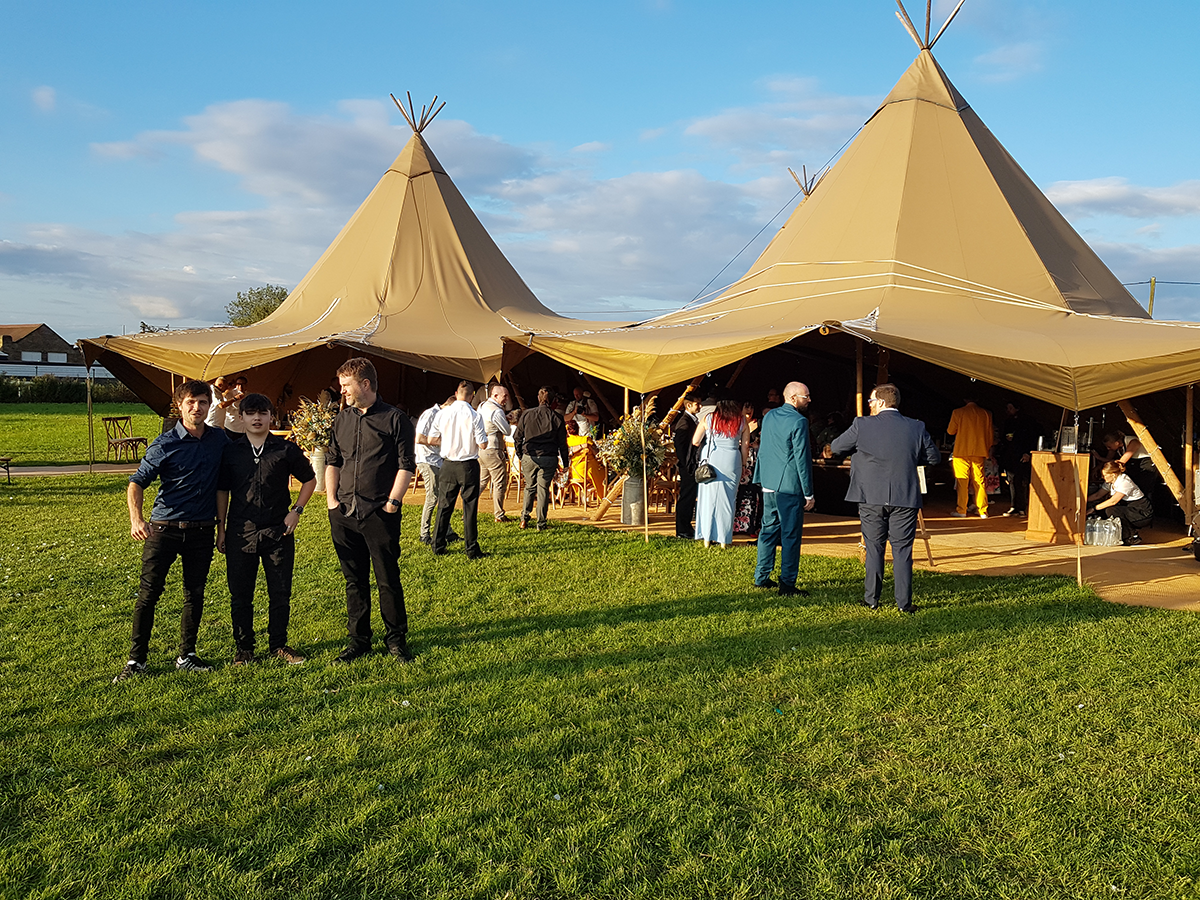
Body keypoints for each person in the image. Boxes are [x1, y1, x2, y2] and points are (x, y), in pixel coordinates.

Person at [114, 379, 231, 683]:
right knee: (148, 595)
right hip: (163, 530)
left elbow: (225, 483)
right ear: (179, 406)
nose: (197, 407)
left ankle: (187, 655)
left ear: (210, 406)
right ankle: (136, 660)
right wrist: (136, 520)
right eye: (191, 402)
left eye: (203, 402)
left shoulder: (220, 440)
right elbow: (136, 482)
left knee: (195, 594)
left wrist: (222, 528)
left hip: (202, 531)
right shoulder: (164, 443)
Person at [325, 357, 417, 664]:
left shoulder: (395, 419)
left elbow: (406, 465)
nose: (343, 392)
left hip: (380, 512)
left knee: (387, 579)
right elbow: (333, 460)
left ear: (365, 384)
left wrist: (393, 502)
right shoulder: (342, 419)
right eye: (341, 386)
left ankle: (396, 639)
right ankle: (358, 640)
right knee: (354, 581)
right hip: (344, 514)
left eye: (347, 385)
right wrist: (331, 503)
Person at [216, 393, 316, 665]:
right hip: (240, 531)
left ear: (272, 416)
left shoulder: (285, 450)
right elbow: (222, 490)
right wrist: (221, 529)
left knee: (280, 592)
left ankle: (279, 645)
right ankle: (244, 648)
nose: (257, 418)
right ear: (242, 418)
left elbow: (310, 479)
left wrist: (296, 511)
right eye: (251, 413)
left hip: (278, 532)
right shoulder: (231, 451)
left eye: (263, 413)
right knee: (240, 593)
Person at [830, 383, 941, 613]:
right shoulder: (916, 427)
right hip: (905, 496)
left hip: (871, 496)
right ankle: (904, 603)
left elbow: (836, 446)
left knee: (874, 547)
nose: (869, 405)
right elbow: (934, 457)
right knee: (903, 550)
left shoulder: (862, 425)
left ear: (880, 402)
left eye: (871, 401)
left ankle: (872, 599)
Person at [752, 382, 815, 595]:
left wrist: (760, 476)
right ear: (794, 398)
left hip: (768, 481)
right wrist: (809, 492)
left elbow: (764, 446)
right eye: (806, 397)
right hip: (788, 484)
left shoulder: (769, 417)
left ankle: (761, 576)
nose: (808, 400)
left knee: (768, 530)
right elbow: (802, 459)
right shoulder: (799, 421)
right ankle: (787, 583)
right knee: (790, 534)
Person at [429, 380, 489, 559]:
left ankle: (437, 544)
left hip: (447, 463)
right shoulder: (475, 416)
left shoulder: (443, 413)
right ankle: (471, 548)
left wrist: (447, 442)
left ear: (456, 393)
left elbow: (431, 439)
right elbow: (483, 444)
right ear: (471, 397)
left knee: (444, 506)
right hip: (468, 464)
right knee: (469, 506)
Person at [692, 398, 750, 548]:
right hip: (732, 460)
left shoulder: (709, 418)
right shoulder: (742, 421)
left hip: (711, 459)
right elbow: (745, 447)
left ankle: (706, 538)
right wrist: (743, 464)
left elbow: (695, 441)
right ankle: (724, 539)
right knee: (728, 500)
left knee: (707, 499)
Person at [515, 386, 569, 531]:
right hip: (548, 456)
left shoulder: (526, 414)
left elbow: (517, 437)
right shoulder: (557, 417)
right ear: (552, 401)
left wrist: (520, 454)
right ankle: (541, 523)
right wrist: (565, 462)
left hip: (529, 455)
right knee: (543, 489)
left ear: (538, 398)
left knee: (529, 487)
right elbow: (562, 444)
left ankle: (524, 518)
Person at [414, 396, 454, 546]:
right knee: (432, 497)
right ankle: (424, 534)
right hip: (427, 460)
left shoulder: (441, 415)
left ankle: (447, 531)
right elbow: (419, 438)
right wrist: (444, 443)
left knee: (444, 496)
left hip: (438, 460)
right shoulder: (431, 414)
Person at [1087, 460, 1153, 545]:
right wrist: (1083, 500)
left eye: (1105, 475)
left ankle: (1132, 536)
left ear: (1113, 475)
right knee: (1105, 510)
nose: (1103, 477)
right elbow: (1097, 495)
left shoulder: (1124, 482)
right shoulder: (1110, 482)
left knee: (1111, 510)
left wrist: (1093, 508)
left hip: (1142, 512)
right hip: (1130, 508)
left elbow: (1113, 501)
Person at [947, 396, 993, 518]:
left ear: (965, 400)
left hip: (961, 451)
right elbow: (990, 435)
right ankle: (983, 510)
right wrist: (986, 449)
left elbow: (951, 431)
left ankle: (962, 509)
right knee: (980, 480)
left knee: (962, 481)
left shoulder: (958, 412)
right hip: (979, 451)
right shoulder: (986, 413)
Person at [477, 384, 514, 522]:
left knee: (482, 481)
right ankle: (499, 514)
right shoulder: (496, 411)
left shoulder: (482, 406)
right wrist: (508, 420)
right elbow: (507, 431)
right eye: (504, 396)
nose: (506, 399)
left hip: (481, 448)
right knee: (499, 482)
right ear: (495, 395)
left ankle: (467, 508)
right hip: (493, 448)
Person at [998, 400, 1040, 516]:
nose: (1008, 411)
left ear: (1017, 408)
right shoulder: (1008, 422)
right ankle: (1013, 506)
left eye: (1011, 408)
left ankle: (1022, 507)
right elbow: (1002, 437)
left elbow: (1032, 439)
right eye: (1008, 408)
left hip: (1022, 455)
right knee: (1011, 481)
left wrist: (1028, 453)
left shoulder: (1028, 422)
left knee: (1021, 481)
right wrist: (1006, 439)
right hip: (1010, 455)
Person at [1095, 431, 1156, 501]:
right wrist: (1099, 462)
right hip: (1135, 464)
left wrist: (1116, 466)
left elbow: (1123, 459)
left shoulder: (1132, 441)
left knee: (1145, 488)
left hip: (1146, 464)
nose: (1108, 449)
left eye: (1109, 446)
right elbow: (1109, 459)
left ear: (1117, 443)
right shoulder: (1117, 448)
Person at [673, 397, 702, 539]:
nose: (700, 406)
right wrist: (685, 464)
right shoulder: (684, 422)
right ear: (689, 405)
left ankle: (686, 526)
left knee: (690, 497)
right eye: (697, 404)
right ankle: (682, 529)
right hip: (687, 465)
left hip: (691, 464)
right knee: (686, 496)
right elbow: (679, 444)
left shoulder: (692, 420)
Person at [565, 420, 606, 502]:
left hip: (574, 472)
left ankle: (587, 491)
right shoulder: (586, 439)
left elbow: (567, 452)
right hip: (589, 471)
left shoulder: (566, 442)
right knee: (604, 473)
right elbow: (597, 453)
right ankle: (595, 491)